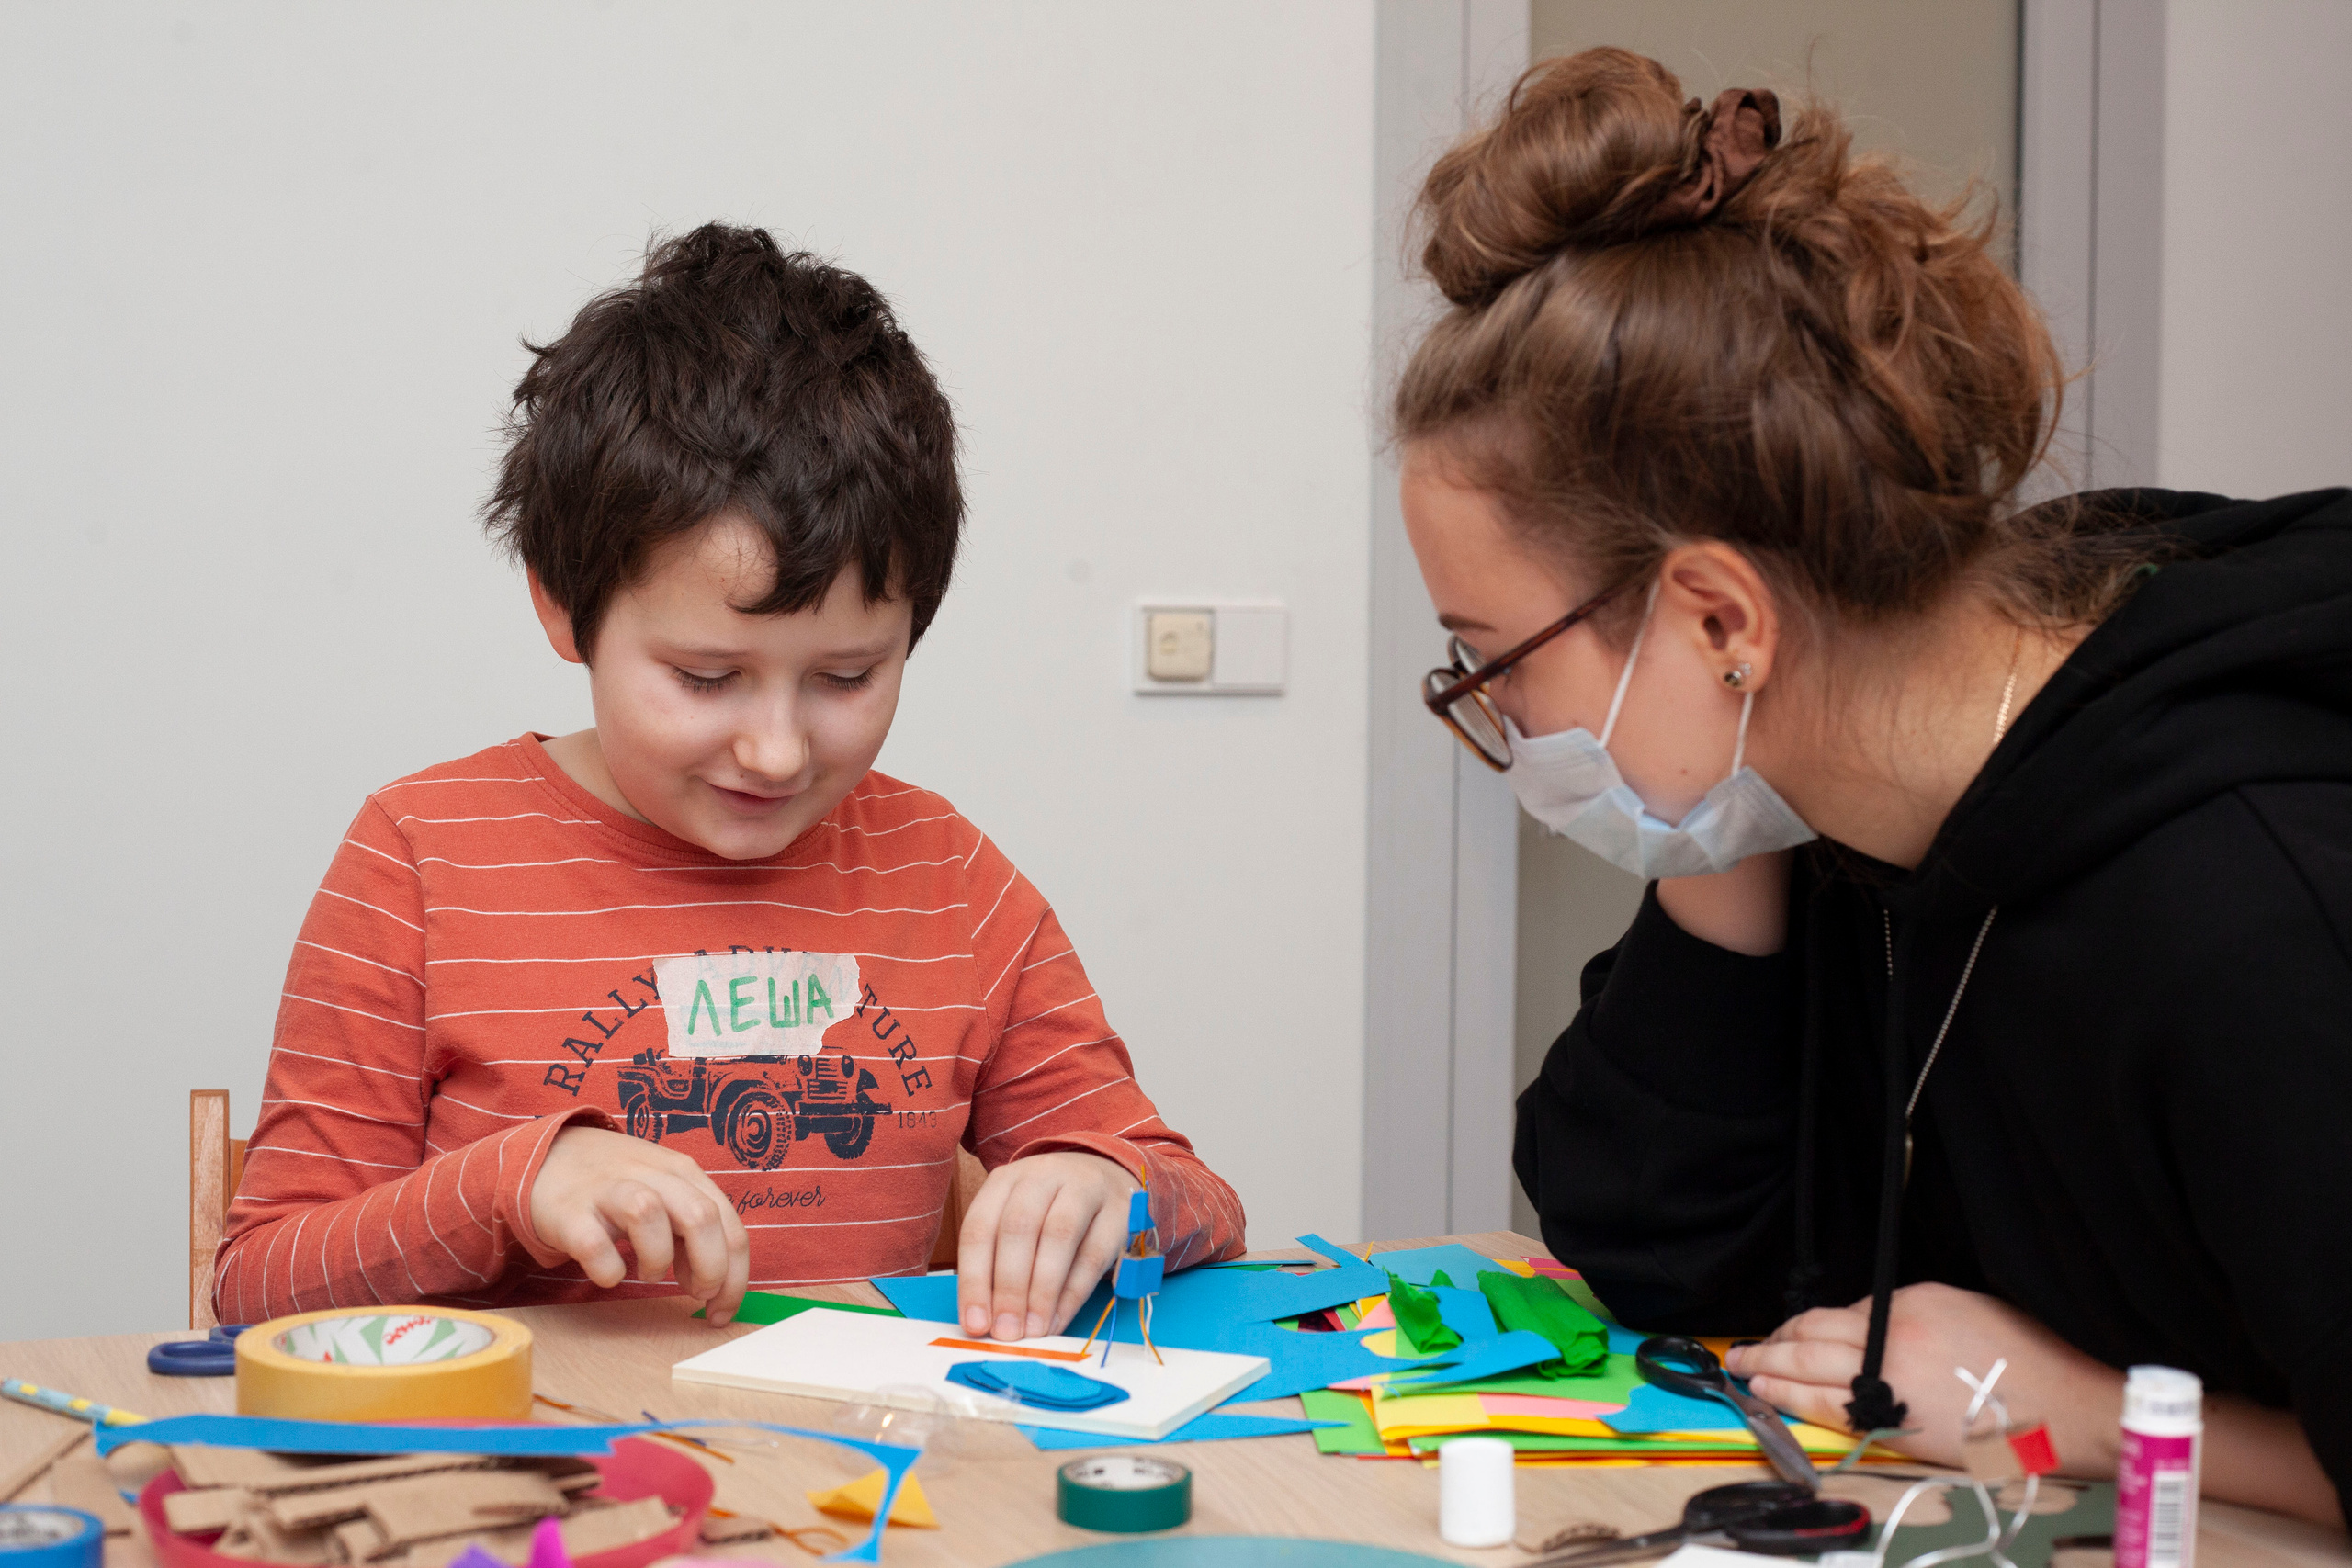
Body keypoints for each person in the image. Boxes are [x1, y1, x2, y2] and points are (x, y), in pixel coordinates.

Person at [1394, 49, 2352, 1525]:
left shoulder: (2246, 904)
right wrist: (1711, 819)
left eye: (1492, 660)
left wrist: (2079, 1414)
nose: (1499, 714)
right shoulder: (1841, 796)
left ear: (1722, 614)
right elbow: (1662, 1256)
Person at [216, 224, 1244, 1337]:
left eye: (846, 677)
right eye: (707, 678)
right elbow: (257, 1286)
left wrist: (1106, 1183)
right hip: (537, 1444)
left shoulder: (950, 879)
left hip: (847, 1443)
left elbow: (1195, 1198)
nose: (777, 751)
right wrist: (512, 1185)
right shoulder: (420, 859)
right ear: (562, 606)